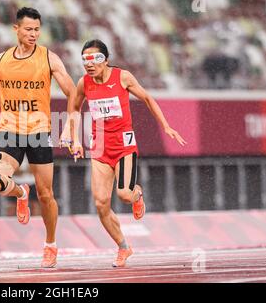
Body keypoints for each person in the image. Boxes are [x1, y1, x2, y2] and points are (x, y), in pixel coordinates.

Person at [66, 39, 187, 268]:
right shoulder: (83, 83)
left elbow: (147, 98)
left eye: (95, 59)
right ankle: (123, 247)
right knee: (101, 203)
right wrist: (75, 139)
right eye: (85, 60)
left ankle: (136, 195)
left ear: (106, 59)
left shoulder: (122, 77)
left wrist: (166, 126)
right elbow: (73, 108)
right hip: (100, 146)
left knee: (123, 194)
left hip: (124, 145)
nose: (89, 64)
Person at [0, 7, 78, 268]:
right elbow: (0, 88)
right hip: (9, 130)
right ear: (16, 29)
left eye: (37, 30)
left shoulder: (49, 58)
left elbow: (73, 92)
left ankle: (50, 244)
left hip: (39, 132)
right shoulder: (2, 59)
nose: (33, 34)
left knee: (46, 195)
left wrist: (70, 126)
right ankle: (20, 192)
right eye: (28, 29)